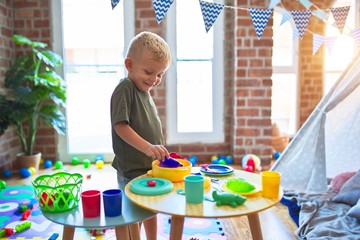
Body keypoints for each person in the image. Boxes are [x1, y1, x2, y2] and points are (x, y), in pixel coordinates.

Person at [110, 31, 171, 240]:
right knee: (132, 215)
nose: (154, 79)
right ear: (129, 65)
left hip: (147, 167)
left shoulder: (145, 92)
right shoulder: (125, 88)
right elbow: (120, 126)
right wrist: (147, 147)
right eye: (149, 72)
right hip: (131, 170)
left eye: (160, 75)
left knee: (150, 210)